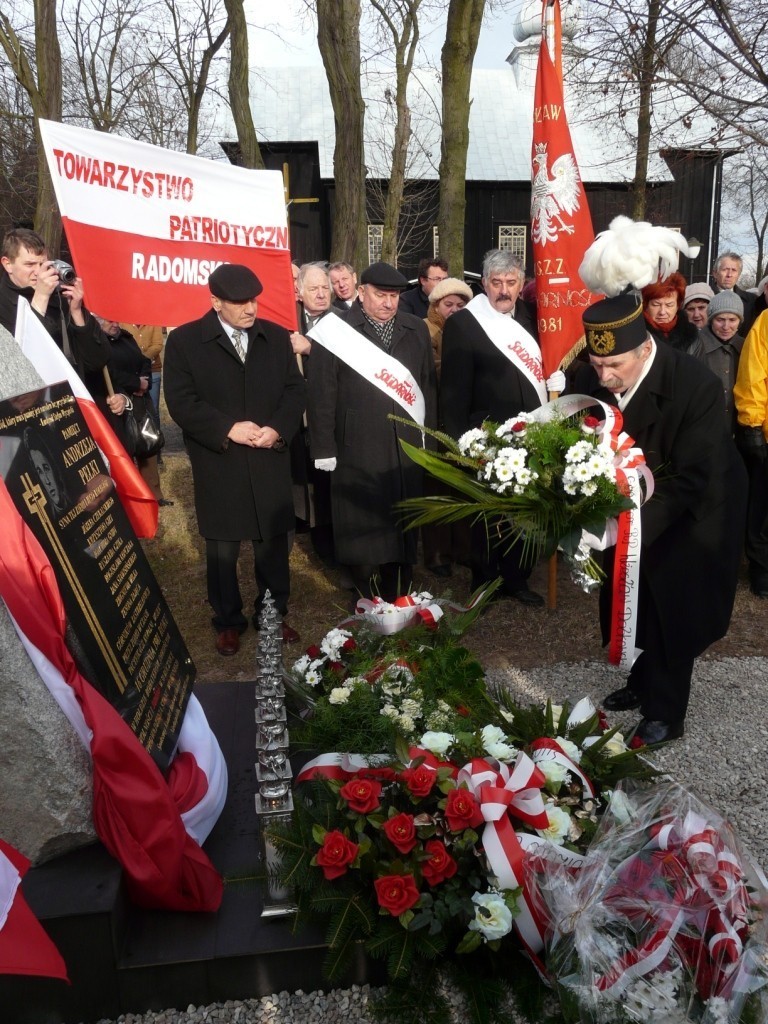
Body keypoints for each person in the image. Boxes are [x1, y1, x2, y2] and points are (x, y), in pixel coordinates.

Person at [573, 291, 747, 744]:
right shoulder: (596, 377)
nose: (604, 377)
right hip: (633, 506)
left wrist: (623, 529)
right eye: (596, 365)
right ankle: (640, 679)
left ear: (645, 348)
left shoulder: (696, 385)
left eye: (615, 367)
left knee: (673, 603)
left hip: (697, 509)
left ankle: (666, 713)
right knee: (633, 594)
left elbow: (693, 478)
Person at [164, 264, 305, 655]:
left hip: (267, 455)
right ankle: (227, 620)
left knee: (272, 543)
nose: (250, 309)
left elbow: (295, 391)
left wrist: (278, 428)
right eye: (239, 302)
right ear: (215, 302)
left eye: (254, 300)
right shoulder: (186, 342)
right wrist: (228, 428)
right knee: (223, 547)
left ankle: (273, 614)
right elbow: (181, 402)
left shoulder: (275, 337)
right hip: (220, 459)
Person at [307, 260, 437, 602]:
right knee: (362, 519)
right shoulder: (334, 330)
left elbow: (426, 387)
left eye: (394, 296)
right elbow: (321, 393)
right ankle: (366, 592)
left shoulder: (415, 328)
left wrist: (430, 442)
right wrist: (323, 447)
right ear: (361, 292)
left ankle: (400, 589)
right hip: (356, 444)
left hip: (406, 444)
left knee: (403, 519)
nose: (388, 303)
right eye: (380, 295)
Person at [440, 249, 564, 605]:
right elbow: (453, 389)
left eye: (511, 282)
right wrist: (462, 439)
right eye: (497, 283)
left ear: (521, 284)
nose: (504, 290)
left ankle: (517, 578)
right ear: (484, 284)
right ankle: (484, 576)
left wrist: (560, 375)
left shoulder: (535, 320)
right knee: (486, 513)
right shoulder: (465, 323)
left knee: (526, 508)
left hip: (531, 432)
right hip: (486, 434)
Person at [0, 227, 108, 372]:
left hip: (75, 390)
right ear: (8, 264)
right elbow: (22, 364)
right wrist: (41, 298)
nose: (38, 272)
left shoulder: (60, 296)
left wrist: (76, 313)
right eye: (29, 264)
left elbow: (98, 360)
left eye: (43, 264)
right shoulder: (3, 304)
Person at [422, 276, 473, 576]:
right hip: (434, 419)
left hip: (462, 420)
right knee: (436, 487)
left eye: (460, 304)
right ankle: (437, 553)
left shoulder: (470, 329)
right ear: (435, 305)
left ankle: (463, 548)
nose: (454, 309)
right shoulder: (423, 329)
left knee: (463, 486)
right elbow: (426, 368)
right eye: (448, 304)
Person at [95, 318, 172, 507]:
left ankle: (154, 494)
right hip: (117, 403)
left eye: (116, 321)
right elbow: (109, 373)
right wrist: (136, 383)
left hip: (140, 401)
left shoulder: (127, 338)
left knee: (147, 443)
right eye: (109, 321)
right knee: (126, 447)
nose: (115, 324)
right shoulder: (98, 344)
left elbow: (144, 360)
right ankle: (131, 497)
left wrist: (143, 381)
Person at [289, 263, 337, 563]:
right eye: (313, 289)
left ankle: (328, 541)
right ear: (299, 292)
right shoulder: (289, 321)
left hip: (329, 415)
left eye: (325, 288)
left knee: (327, 480)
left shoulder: (343, 321)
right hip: (297, 416)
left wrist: (311, 351)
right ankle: (303, 521)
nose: (321, 294)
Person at [734, 308, 768, 598]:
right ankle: (761, 566)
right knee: (763, 507)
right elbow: (753, 375)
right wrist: (752, 424)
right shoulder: (766, 322)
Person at [691, 291, 744, 435]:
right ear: (711, 319)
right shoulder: (694, 345)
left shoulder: (746, 347)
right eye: (720, 319)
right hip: (703, 429)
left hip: (738, 430)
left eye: (732, 320)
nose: (726, 326)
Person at [641, 272, 701, 353]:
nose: (662, 312)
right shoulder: (635, 334)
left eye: (669, 305)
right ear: (646, 305)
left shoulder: (691, 336)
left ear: (678, 306)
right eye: (656, 304)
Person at [120, 323, 165, 424]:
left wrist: (141, 358)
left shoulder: (153, 321)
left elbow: (157, 345)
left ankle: (156, 436)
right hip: (131, 371)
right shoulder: (123, 322)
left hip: (153, 370)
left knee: (153, 409)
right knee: (135, 409)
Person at [711, 251, 756, 325]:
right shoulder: (704, 299)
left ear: (739, 275)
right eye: (725, 269)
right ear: (715, 273)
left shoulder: (752, 301)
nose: (729, 275)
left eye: (734, 270)